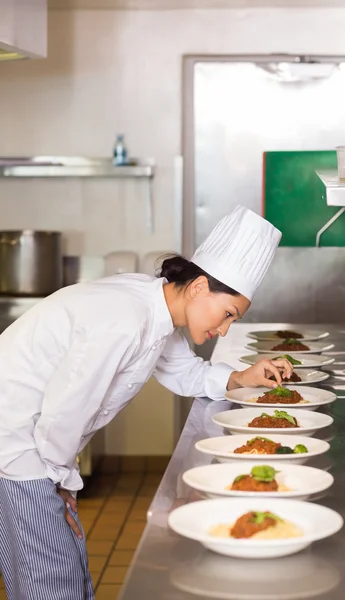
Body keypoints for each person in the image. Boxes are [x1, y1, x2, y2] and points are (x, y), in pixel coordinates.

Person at [0, 205, 291, 600]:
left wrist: (241, 377)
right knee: (52, 577)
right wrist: (59, 478)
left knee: (49, 569)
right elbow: (66, 410)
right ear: (200, 286)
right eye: (227, 314)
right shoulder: (128, 317)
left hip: (34, 442)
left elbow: (183, 372)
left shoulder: (156, 306)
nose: (223, 328)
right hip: (18, 442)